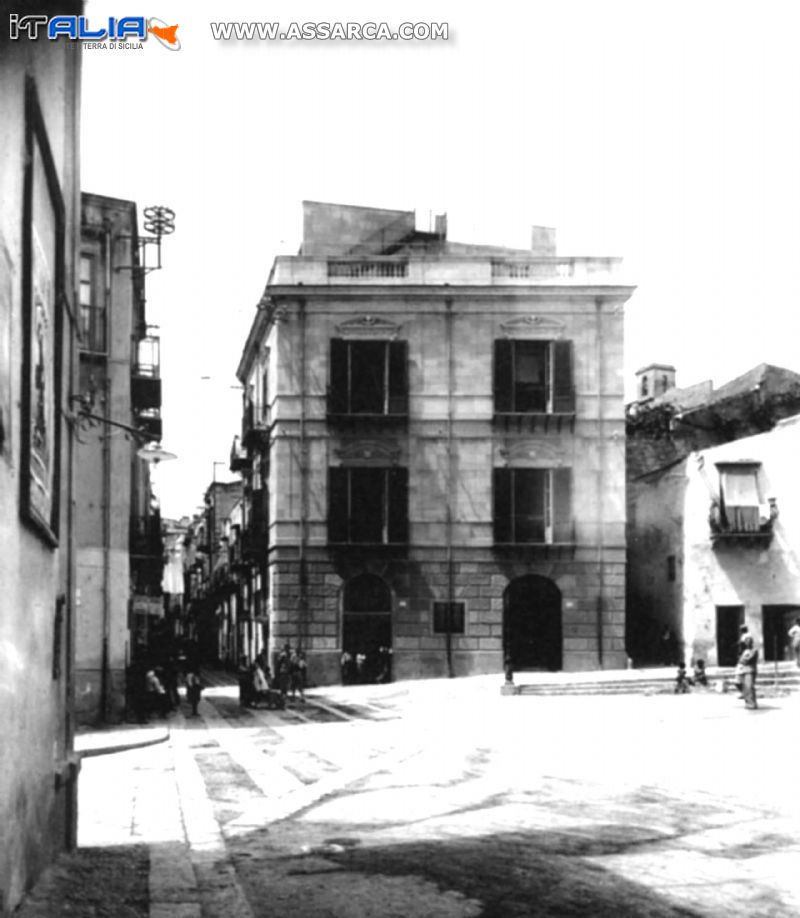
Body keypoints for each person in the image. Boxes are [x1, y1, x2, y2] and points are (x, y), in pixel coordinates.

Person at [738, 634, 759, 710]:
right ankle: (748, 702)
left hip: (751, 670)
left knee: (750, 687)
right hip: (744, 670)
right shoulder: (744, 651)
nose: (748, 643)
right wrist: (743, 660)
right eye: (746, 641)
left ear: (752, 642)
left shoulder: (754, 650)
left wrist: (744, 659)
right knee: (745, 688)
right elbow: (740, 660)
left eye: (749, 641)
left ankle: (752, 703)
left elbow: (748, 659)